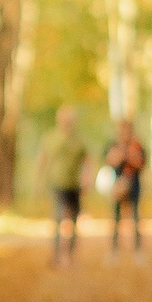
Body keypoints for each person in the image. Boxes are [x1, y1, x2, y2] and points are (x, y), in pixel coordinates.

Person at [38, 105, 88, 266]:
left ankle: (70, 255)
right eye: (65, 119)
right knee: (59, 219)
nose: (67, 122)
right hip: (57, 184)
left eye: (70, 119)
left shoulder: (79, 140)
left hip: (75, 185)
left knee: (73, 221)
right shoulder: (50, 138)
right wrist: (39, 182)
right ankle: (57, 255)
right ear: (59, 120)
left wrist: (87, 179)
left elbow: (87, 161)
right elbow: (42, 160)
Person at [106, 116, 147, 260]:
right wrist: (122, 153)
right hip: (117, 185)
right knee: (116, 218)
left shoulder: (137, 146)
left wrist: (129, 155)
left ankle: (138, 250)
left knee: (135, 218)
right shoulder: (114, 145)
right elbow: (110, 160)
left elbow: (140, 163)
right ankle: (114, 249)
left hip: (134, 185)